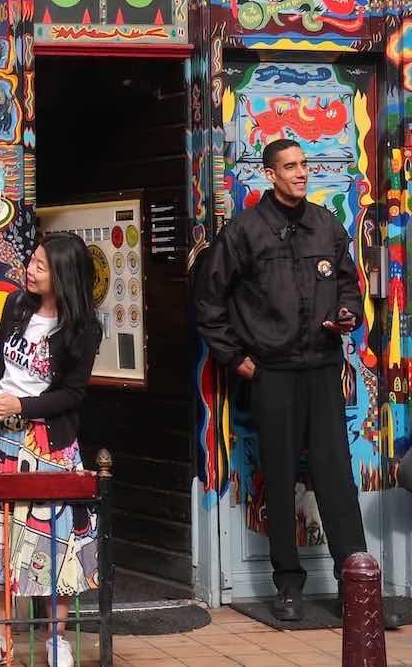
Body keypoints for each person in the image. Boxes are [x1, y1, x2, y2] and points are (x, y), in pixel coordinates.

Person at [195, 138, 392, 625]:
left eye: (305, 164)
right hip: (273, 373)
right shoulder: (244, 232)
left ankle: (356, 587)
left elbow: (348, 281)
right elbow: (208, 301)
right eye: (290, 166)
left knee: (337, 479)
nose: (301, 173)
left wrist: (346, 311)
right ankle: (287, 585)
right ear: (270, 174)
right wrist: (237, 360)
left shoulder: (325, 224)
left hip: (323, 368)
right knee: (280, 479)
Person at [0, 232, 103, 667]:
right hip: (2, 439)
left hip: (51, 444)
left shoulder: (83, 329)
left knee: (56, 548)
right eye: (33, 260)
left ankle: (55, 638)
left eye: (41, 265)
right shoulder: (15, 306)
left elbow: (72, 395)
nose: (30, 268)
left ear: (62, 275)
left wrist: (22, 404)